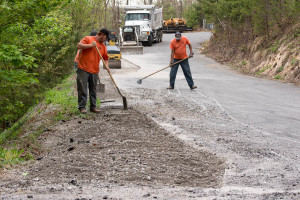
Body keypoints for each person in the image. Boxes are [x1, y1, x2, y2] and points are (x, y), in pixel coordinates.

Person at [74, 28, 110, 114]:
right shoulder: (88, 39)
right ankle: (82, 107)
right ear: (102, 35)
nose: (106, 40)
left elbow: (105, 58)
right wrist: (91, 45)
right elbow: (79, 46)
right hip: (83, 68)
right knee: (82, 88)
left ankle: (93, 107)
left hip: (94, 70)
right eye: (106, 37)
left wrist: (106, 66)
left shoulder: (103, 46)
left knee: (93, 89)